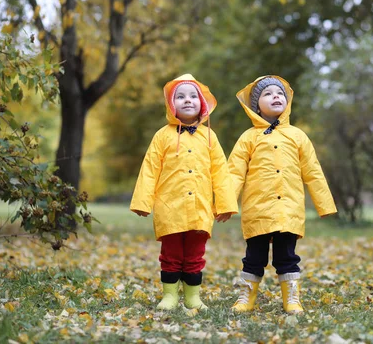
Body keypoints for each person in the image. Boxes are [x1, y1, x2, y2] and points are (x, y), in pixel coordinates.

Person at [228, 75, 337, 314]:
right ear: (257, 106)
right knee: (254, 257)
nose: (276, 96)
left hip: (289, 209)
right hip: (257, 210)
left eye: (279, 93)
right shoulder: (248, 138)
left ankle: (292, 298)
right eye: (268, 94)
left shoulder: (297, 136)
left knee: (287, 256)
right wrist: (226, 204)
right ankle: (247, 296)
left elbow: (313, 171)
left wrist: (325, 205)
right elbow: (235, 173)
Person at [130, 73, 237, 313]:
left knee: (195, 255)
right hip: (170, 208)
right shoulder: (162, 136)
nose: (187, 100)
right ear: (171, 105)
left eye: (193, 96)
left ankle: (193, 297)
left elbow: (220, 171)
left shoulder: (210, 137)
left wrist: (225, 204)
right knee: (171, 254)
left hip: (200, 208)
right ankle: (169, 295)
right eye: (180, 97)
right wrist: (142, 202)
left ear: (202, 103)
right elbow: (150, 168)